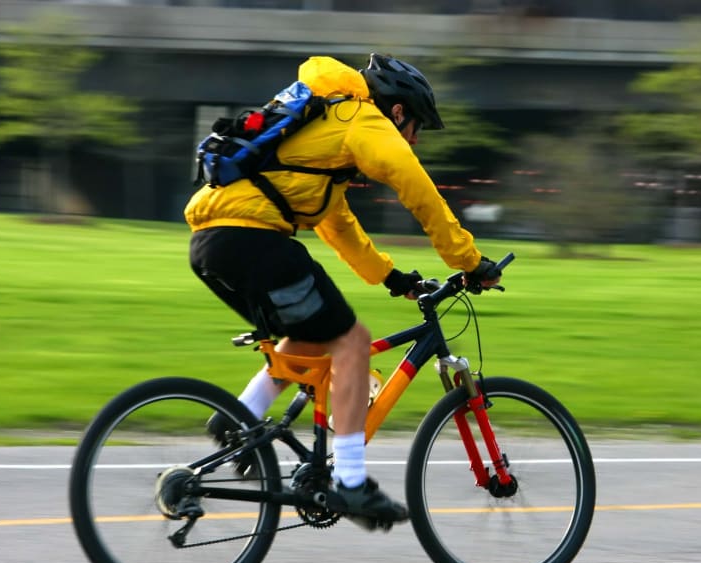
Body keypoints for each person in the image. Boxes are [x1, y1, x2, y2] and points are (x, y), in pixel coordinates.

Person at [184, 53, 500, 525]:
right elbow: (418, 189)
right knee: (351, 341)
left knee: (311, 337)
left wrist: (391, 277)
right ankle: (351, 484)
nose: (414, 140)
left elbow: (337, 224)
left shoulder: (327, 124)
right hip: (252, 237)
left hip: (212, 243)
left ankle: (238, 419)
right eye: (415, 127)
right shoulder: (363, 119)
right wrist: (470, 261)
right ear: (398, 112)